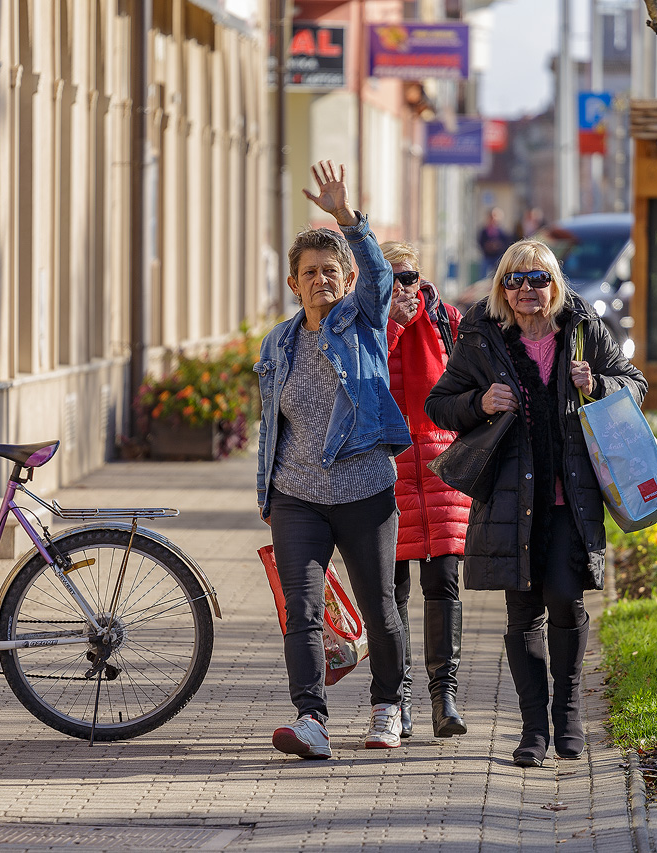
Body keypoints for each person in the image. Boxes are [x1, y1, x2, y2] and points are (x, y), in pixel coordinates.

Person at [423, 239, 646, 767]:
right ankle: (533, 731)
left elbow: (635, 387)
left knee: (567, 603)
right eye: (515, 280)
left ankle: (567, 718)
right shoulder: (481, 337)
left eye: (538, 279)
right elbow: (438, 406)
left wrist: (600, 383)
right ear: (503, 288)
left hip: (571, 500)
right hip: (510, 500)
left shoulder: (584, 329)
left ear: (555, 285)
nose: (527, 289)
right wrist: (479, 402)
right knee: (522, 614)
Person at [256, 161, 412, 759]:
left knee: (379, 604)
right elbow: (274, 425)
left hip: (365, 488)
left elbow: (378, 272)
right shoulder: (278, 343)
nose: (321, 280)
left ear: (346, 280)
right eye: (309, 273)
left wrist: (347, 219)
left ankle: (387, 708)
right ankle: (311, 719)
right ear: (294, 283)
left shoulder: (364, 320)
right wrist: (268, 496)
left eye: (330, 271)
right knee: (301, 607)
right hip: (297, 493)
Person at [380, 240, 470, 740]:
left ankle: (445, 698)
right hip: (385, 475)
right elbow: (363, 379)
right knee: (390, 595)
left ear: (423, 277)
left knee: (443, 585)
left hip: (441, 473)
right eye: (390, 277)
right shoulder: (365, 327)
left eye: (409, 276)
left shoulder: (448, 322)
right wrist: (390, 323)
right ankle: (400, 698)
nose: (402, 287)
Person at [476, 208, 512, 279]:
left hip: (498, 257)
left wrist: (498, 246)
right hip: (487, 257)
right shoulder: (484, 231)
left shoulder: (502, 232)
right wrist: (488, 246)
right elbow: (480, 242)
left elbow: (505, 243)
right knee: (483, 275)